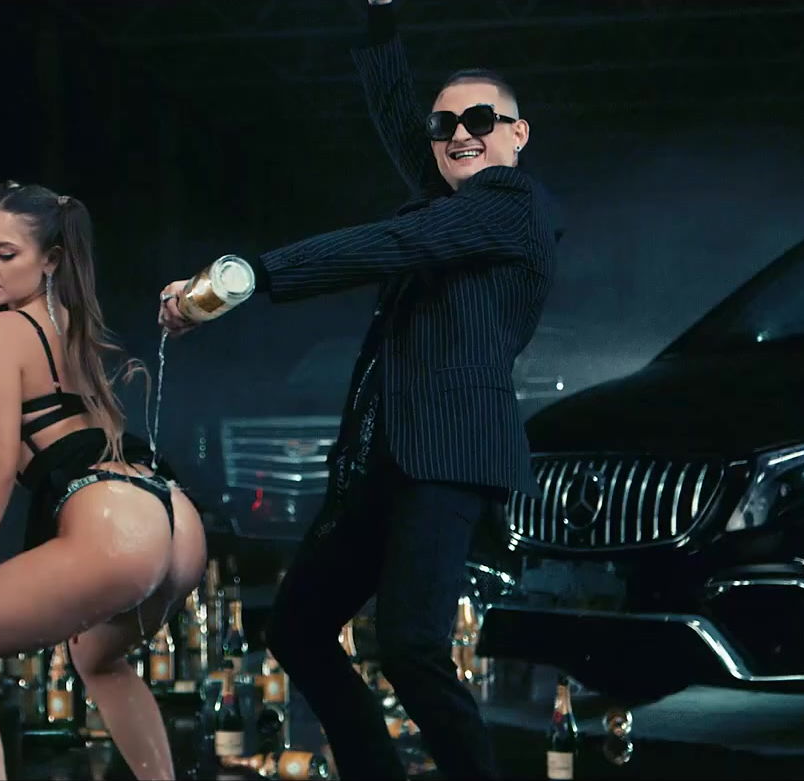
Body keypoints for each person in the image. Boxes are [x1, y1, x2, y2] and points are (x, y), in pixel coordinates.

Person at [158, 0, 563, 777]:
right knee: (298, 628)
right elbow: (399, 119)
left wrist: (244, 277)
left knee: (412, 648)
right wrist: (379, 20)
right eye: (444, 125)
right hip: (380, 462)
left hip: (445, 459)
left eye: (481, 118)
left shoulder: (514, 207)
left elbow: (395, 239)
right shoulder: (455, 203)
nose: (459, 133)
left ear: (519, 132)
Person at [0, 181, 206, 780]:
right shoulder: (75, 326)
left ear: (50, 260)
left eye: (6, 253)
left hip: (116, 526)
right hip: (175, 520)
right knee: (99, 660)